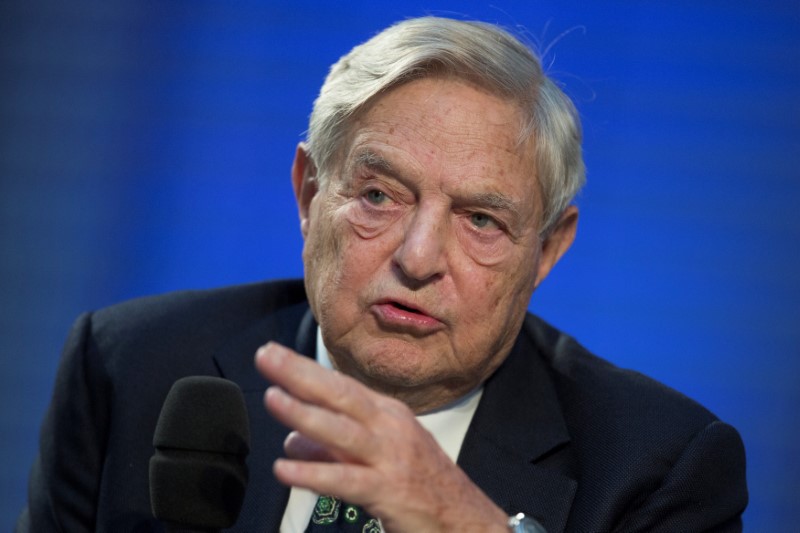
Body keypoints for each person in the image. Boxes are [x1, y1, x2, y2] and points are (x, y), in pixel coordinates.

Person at [17, 16, 747, 533]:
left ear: (548, 250)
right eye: (379, 196)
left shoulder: (659, 468)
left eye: (482, 221)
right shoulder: (130, 364)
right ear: (309, 193)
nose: (419, 258)